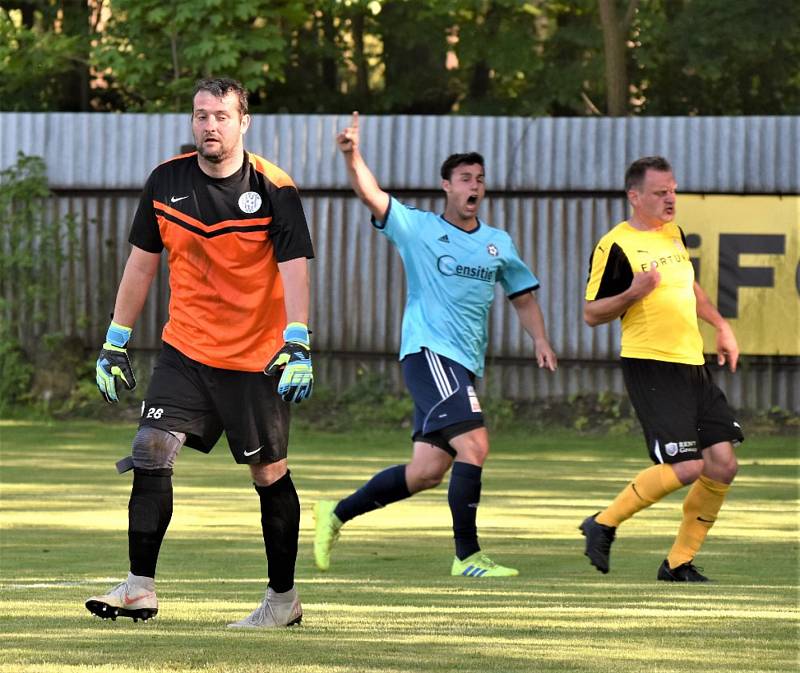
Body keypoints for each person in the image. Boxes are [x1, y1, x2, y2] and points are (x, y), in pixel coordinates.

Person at [86, 78, 315, 627]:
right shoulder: (166, 181)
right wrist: (115, 340)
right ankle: (139, 588)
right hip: (185, 349)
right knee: (151, 448)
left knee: (269, 475)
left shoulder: (275, 187)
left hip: (256, 359)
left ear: (243, 123)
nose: (208, 126)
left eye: (220, 116)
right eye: (200, 115)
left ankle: (282, 602)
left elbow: (295, 268)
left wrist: (298, 339)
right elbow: (141, 264)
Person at [313, 111, 558, 578]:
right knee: (475, 445)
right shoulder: (420, 228)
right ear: (446, 185)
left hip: (462, 364)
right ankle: (467, 557)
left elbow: (523, 297)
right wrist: (351, 155)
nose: (474, 186)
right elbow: (372, 194)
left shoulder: (496, 243)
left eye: (480, 179)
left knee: (426, 470)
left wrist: (541, 339)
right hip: (429, 353)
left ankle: (336, 513)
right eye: (465, 178)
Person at [580, 155, 743, 582]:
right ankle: (603, 522)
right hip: (651, 364)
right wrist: (633, 292)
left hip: (692, 363)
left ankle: (677, 563)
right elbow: (592, 313)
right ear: (635, 196)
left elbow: (689, 286)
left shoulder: (673, 234)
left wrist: (721, 325)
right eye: (659, 192)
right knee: (688, 466)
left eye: (672, 190)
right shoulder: (615, 245)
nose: (670, 199)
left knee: (723, 463)